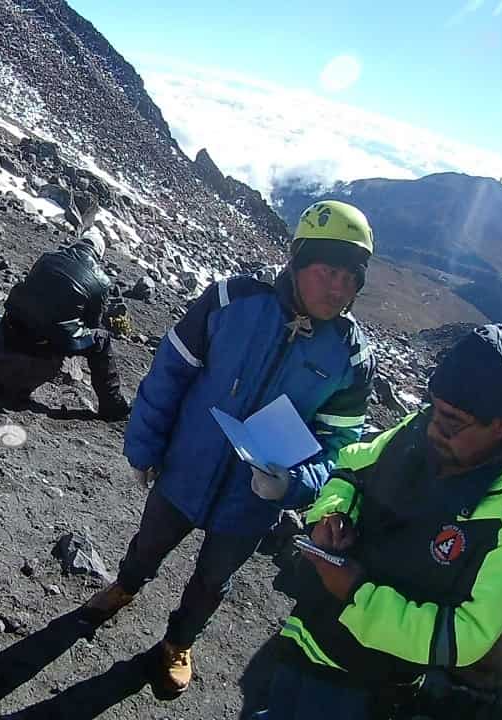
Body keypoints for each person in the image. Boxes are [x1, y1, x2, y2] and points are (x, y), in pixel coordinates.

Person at [81, 201, 377, 697]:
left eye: (351, 280)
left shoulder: (350, 357)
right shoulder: (232, 300)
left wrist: (294, 485)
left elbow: (340, 446)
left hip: (252, 499)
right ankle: (126, 586)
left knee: (215, 577)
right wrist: (144, 445)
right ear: (299, 260)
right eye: (329, 272)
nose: (338, 289)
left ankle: (178, 642)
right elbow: (170, 372)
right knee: (150, 540)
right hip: (185, 467)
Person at [255, 324, 502, 720]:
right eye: (433, 410)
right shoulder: (418, 430)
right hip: (309, 631)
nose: (434, 428)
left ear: (500, 425)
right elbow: (352, 467)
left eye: (452, 421)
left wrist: (359, 593)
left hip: (369, 683)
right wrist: (335, 512)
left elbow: (464, 636)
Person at [0, 233, 130, 420]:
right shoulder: (101, 281)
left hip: (10, 327)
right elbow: (92, 324)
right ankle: (113, 406)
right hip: (40, 345)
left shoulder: (47, 257)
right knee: (101, 339)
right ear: (98, 255)